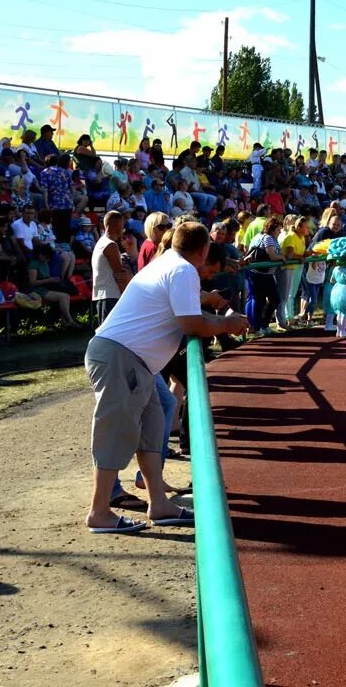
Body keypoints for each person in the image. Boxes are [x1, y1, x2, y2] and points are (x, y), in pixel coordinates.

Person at [83, 222, 246, 534]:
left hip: (133, 360)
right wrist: (227, 324)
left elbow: (188, 309)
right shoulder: (182, 269)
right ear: (204, 250)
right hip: (123, 357)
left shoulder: (170, 263)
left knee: (154, 423)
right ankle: (99, 511)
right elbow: (191, 324)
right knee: (115, 431)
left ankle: (158, 504)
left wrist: (212, 307)